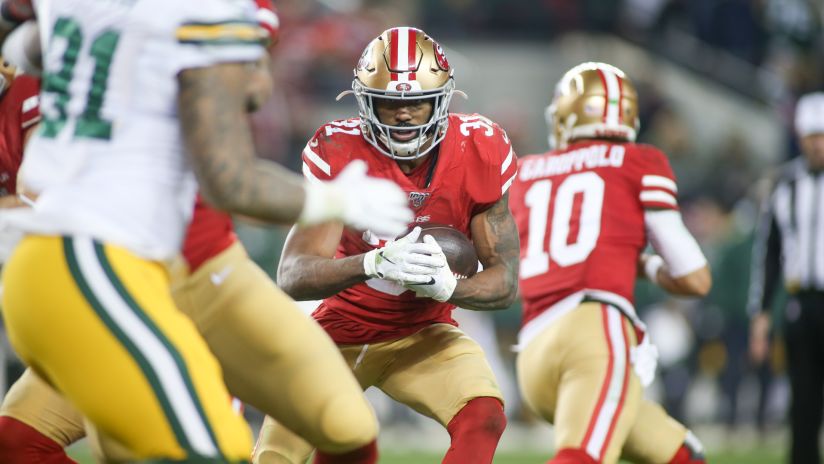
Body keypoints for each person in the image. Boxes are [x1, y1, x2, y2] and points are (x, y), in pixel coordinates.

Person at [0, 1, 413, 462]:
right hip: (95, 259)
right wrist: (334, 201)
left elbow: (24, 41)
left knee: (345, 425)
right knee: (210, 451)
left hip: (150, 258)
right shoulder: (203, 12)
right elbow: (231, 179)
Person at [253, 27, 519, 464]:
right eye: (389, 104)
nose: (404, 116)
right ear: (365, 102)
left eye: (417, 102)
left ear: (442, 101)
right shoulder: (339, 149)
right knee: (280, 456)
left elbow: (504, 282)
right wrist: (373, 263)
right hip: (339, 330)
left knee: (484, 415)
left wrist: (449, 288)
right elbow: (293, 274)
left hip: (424, 333)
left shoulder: (479, 148)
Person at [509, 62, 711, 464]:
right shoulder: (638, 161)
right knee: (581, 457)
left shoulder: (526, 170)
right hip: (593, 332)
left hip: (533, 350)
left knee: (682, 455)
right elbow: (694, 277)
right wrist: (645, 265)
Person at [749, 91, 824, 464]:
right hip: (800, 303)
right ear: (800, 137)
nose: (818, 145)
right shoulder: (785, 184)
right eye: (812, 137)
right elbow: (769, 252)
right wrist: (761, 313)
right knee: (803, 399)